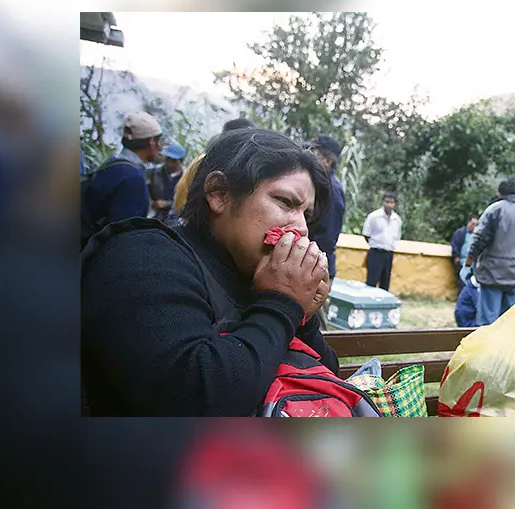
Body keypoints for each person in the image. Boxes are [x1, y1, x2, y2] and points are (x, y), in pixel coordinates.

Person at [81, 129, 336, 416]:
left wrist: (304, 316)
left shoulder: (254, 274)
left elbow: (325, 381)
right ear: (219, 194)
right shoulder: (141, 255)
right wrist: (282, 305)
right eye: (285, 202)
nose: (301, 228)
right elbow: (194, 398)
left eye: (307, 215)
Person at [81, 111, 163, 249]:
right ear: (152, 142)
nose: (160, 147)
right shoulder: (132, 179)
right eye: (159, 141)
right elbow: (124, 238)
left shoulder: (111, 164)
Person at [466, 180, 515, 325]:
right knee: (509, 321)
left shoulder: (494, 210)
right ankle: (507, 347)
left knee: (488, 320)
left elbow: (480, 239)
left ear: (499, 193)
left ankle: (488, 347)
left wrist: (470, 259)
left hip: (492, 273)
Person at [306, 135, 346, 279]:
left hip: (315, 266)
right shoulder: (318, 185)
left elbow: (327, 238)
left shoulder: (331, 191)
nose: (309, 156)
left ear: (327, 161)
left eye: (314, 153)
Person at [362, 192, 402, 291]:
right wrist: (375, 244)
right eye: (387, 202)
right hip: (376, 252)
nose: (389, 205)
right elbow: (366, 234)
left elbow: (396, 237)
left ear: (395, 204)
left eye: (391, 202)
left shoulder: (397, 219)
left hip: (388, 254)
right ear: (383, 202)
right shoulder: (374, 217)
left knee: (385, 283)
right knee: (371, 281)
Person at [147, 142, 186, 221]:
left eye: (173, 160)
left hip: (173, 222)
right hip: (151, 217)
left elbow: (186, 203)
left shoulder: (186, 179)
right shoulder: (152, 172)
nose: (168, 163)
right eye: (167, 159)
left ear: (180, 161)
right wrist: (151, 203)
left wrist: (168, 204)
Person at [450, 216, 478, 292]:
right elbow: (455, 244)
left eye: (475, 224)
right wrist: (456, 256)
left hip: (473, 262)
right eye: (472, 223)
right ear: (468, 223)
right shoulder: (460, 232)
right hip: (462, 261)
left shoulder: (477, 235)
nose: (473, 226)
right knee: (461, 281)